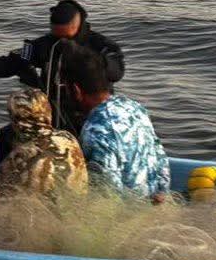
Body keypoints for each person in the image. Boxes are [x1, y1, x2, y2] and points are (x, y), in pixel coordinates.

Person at [0, 0, 124, 136]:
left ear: (78, 26)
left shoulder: (102, 46)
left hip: (88, 116)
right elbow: (9, 64)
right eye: (56, 36)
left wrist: (80, 56)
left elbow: (117, 71)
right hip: (50, 115)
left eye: (66, 37)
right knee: (7, 135)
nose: (60, 41)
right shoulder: (41, 45)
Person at [61, 45, 170, 198]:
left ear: (76, 90)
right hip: (156, 200)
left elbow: (107, 197)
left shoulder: (96, 130)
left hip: (132, 214)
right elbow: (161, 160)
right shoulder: (134, 107)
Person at [0, 88, 88, 195]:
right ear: (48, 112)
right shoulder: (68, 137)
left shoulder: (13, 160)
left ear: (15, 119)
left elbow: (6, 198)